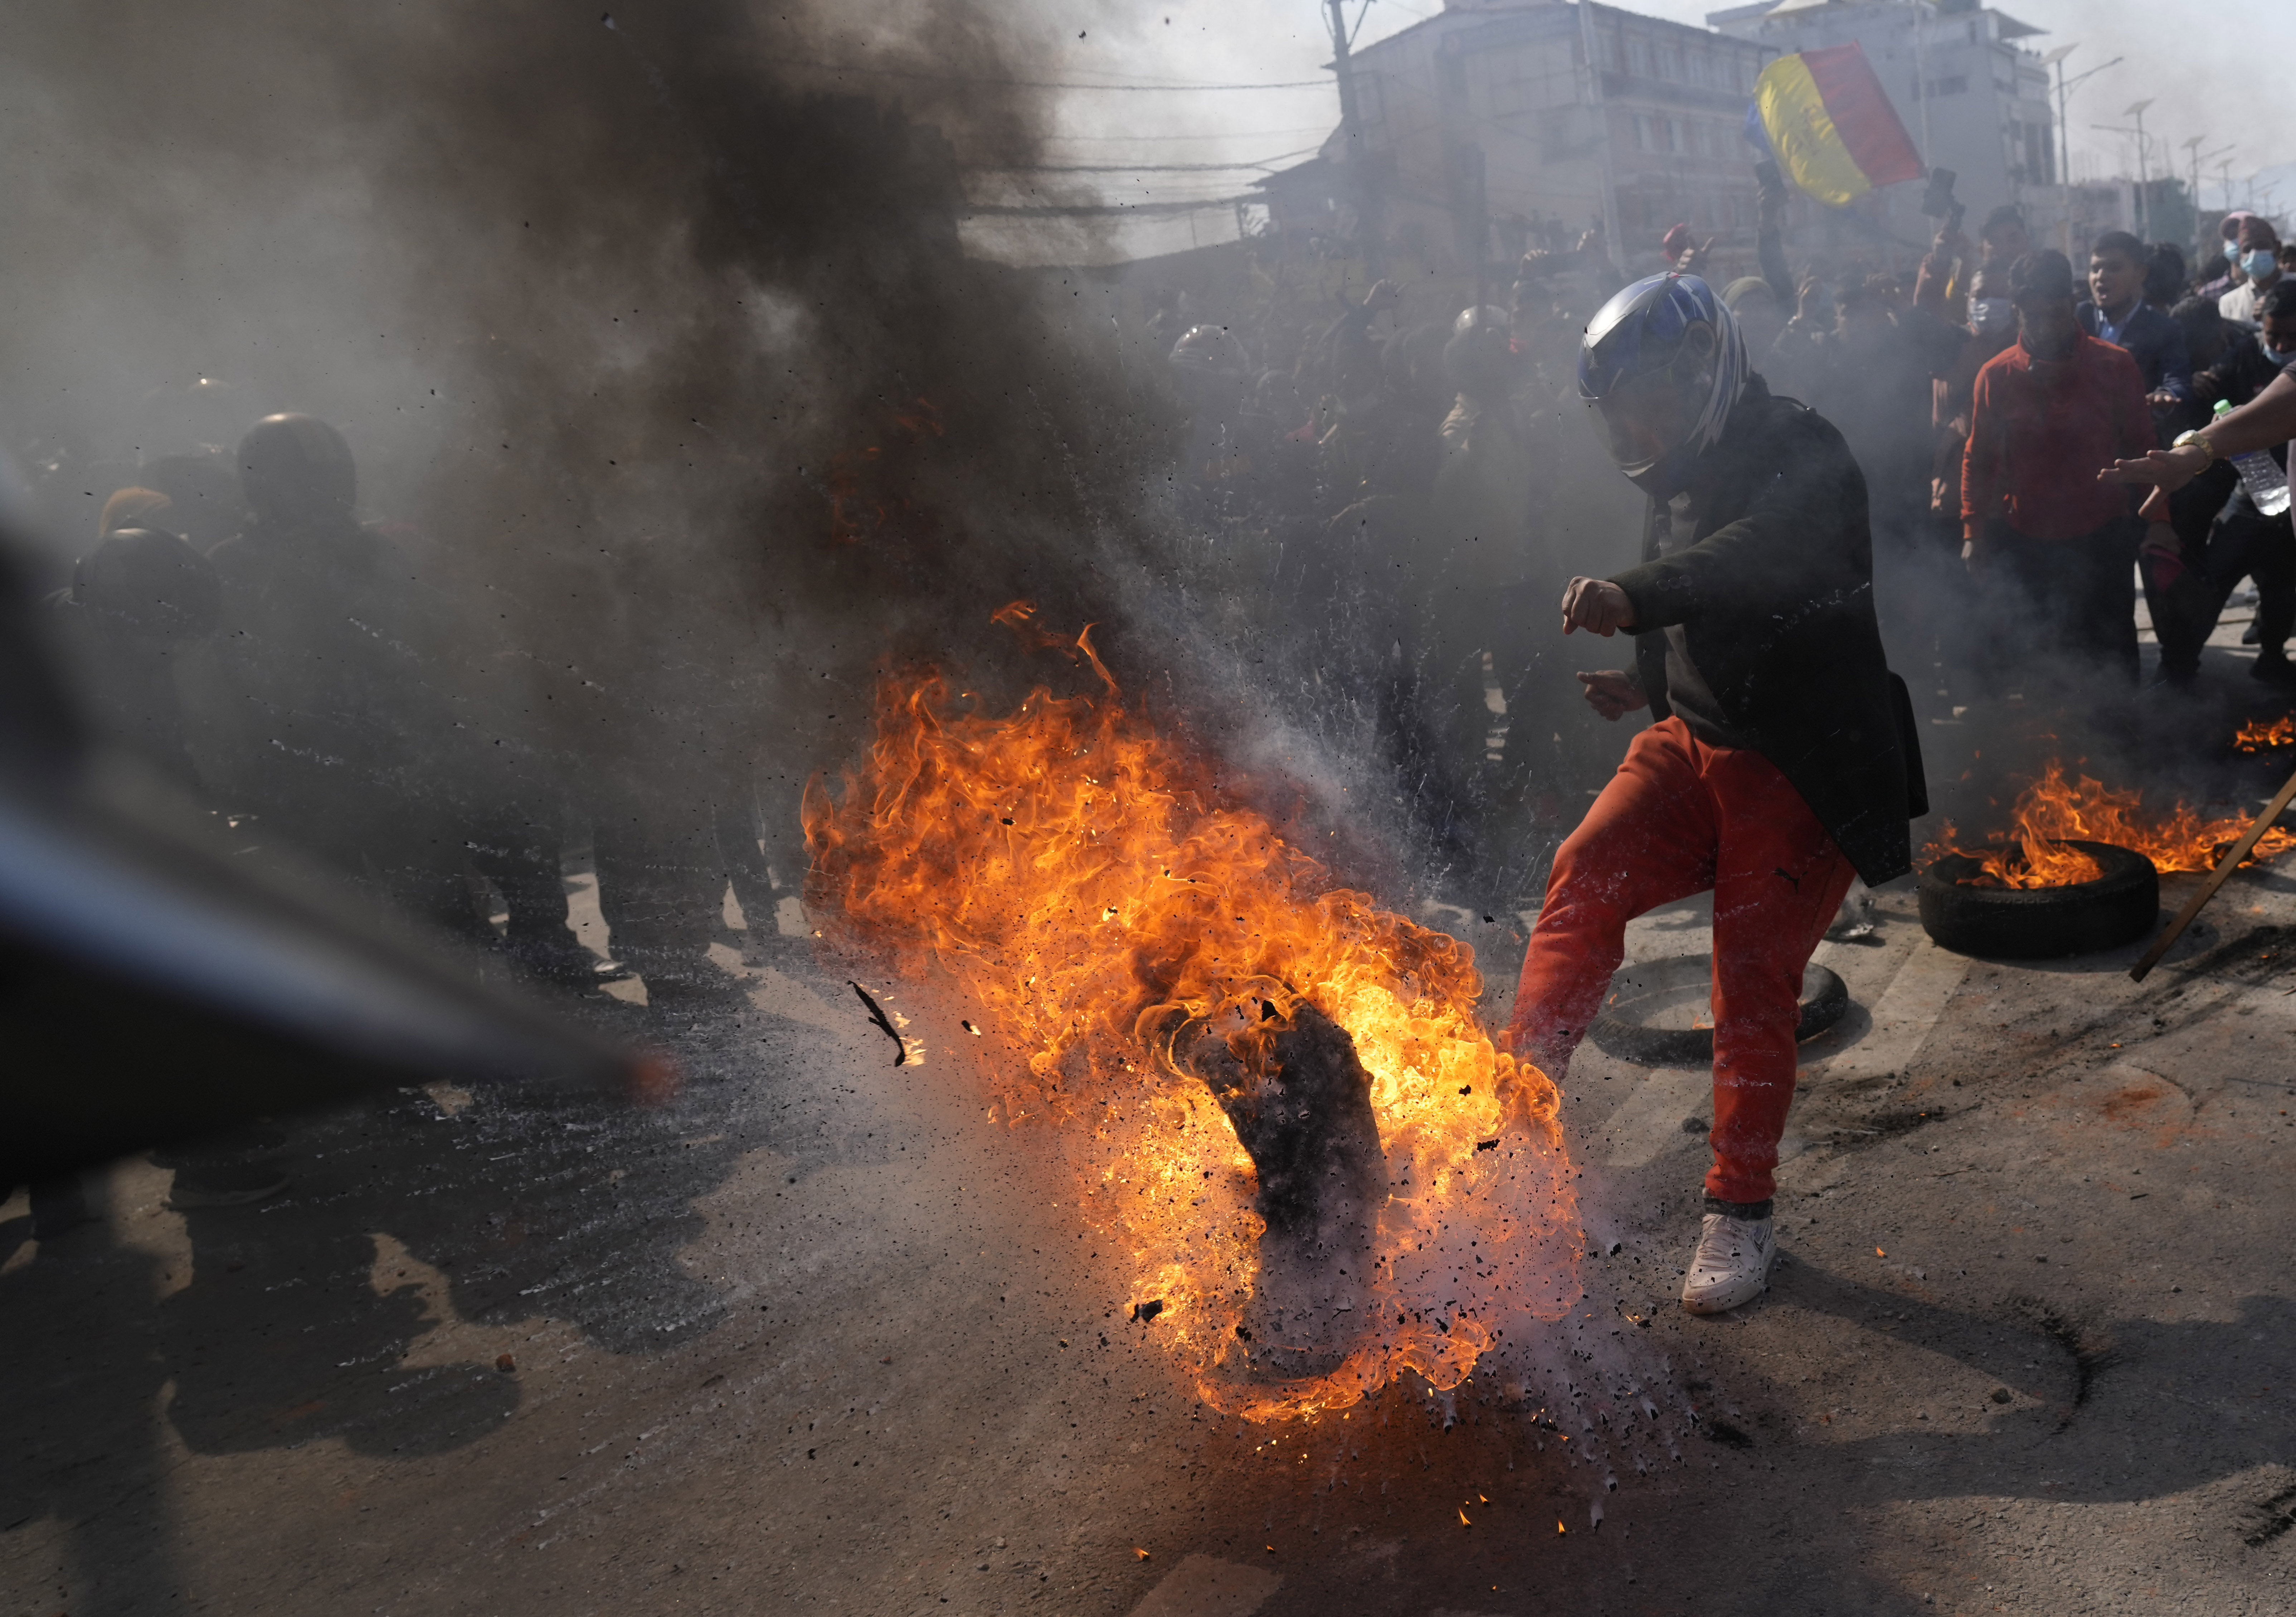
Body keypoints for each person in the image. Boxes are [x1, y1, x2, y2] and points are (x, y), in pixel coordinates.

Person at [1504, 273, 1926, 1315]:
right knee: (1579, 876)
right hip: (1691, 743)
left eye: (1646, 401)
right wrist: (1640, 679)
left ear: (1701, 368)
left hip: (1798, 760)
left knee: (1748, 981)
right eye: (1620, 415)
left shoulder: (1803, 449)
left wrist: (1630, 595)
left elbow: (1751, 559)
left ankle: (1739, 1211)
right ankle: (1508, 1123)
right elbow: (1690, 601)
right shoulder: (1677, 472)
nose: (1636, 430)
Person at [1960, 250, 2158, 688]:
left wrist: (2158, 522)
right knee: (2041, 657)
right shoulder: (1995, 376)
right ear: (2017, 312)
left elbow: (2143, 445)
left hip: (2102, 533)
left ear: (2070, 306)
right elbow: (1979, 457)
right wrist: (1973, 533)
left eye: (2055, 314)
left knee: (2110, 649)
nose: (2047, 328)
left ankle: (2124, 725)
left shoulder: (2114, 364)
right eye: (2034, 316)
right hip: (2026, 537)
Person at [2149, 281, 2296, 687]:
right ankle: (2178, 667)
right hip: (2251, 493)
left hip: (2292, 499)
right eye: (2273, 336)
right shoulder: (2244, 355)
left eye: (2292, 337)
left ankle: (2272, 656)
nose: (2281, 346)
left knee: (2284, 588)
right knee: (2213, 580)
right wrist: (2195, 384)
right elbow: (2205, 392)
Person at [2079, 229, 2192, 406]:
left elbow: (2177, 380)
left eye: (2114, 268)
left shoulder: (2164, 330)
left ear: (2140, 273)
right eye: (2095, 269)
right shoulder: (2078, 319)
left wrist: (2166, 394)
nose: (2101, 277)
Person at [2220, 217, 2285, 326]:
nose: (2254, 254)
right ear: (2240, 256)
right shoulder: (2229, 304)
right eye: (2247, 249)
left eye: (2262, 246)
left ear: (2277, 248)